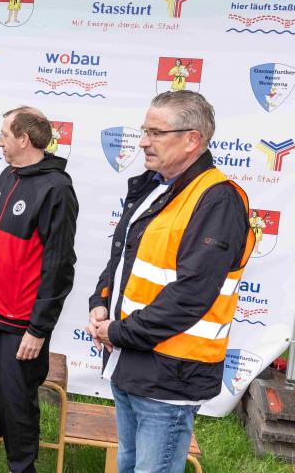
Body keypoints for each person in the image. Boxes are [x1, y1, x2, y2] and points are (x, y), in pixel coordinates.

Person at [87, 90, 254, 473]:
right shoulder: (155, 186)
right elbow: (123, 258)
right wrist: (100, 302)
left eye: (156, 133)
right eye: (144, 131)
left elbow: (191, 295)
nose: (143, 142)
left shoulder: (217, 200)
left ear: (192, 139)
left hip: (170, 375)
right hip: (131, 363)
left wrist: (119, 332)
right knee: (128, 464)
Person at [0, 107, 78, 473]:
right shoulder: (7, 174)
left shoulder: (57, 190)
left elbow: (59, 266)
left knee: (17, 405)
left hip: (20, 325)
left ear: (23, 139)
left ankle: (22, 469)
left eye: (5, 135)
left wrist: (39, 328)